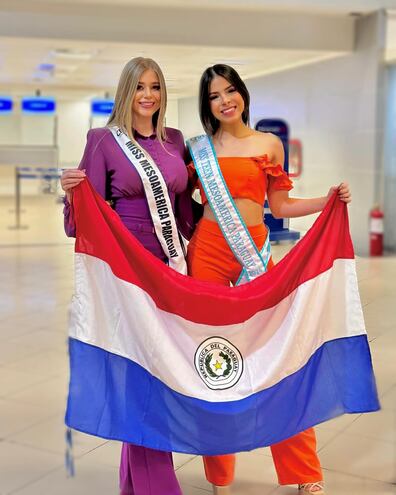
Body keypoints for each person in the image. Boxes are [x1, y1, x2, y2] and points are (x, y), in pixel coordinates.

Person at [186, 64, 351, 495]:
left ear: (242, 93)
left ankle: (303, 471)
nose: (225, 100)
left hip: (254, 255)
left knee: (281, 357)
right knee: (214, 359)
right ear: (207, 104)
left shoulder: (269, 144)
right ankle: (219, 474)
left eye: (231, 91)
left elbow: (279, 206)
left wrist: (327, 200)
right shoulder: (198, 150)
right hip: (206, 254)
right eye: (214, 95)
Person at [61, 57, 193, 495]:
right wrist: (70, 195)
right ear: (126, 92)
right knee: (142, 374)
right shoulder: (103, 141)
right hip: (127, 269)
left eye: (155, 86)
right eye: (139, 87)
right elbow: (83, 220)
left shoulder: (174, 141)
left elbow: (185, 213)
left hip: (170, 268)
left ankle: (133, 485)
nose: (148, 95)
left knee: (160, 372)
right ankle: (160, 487)